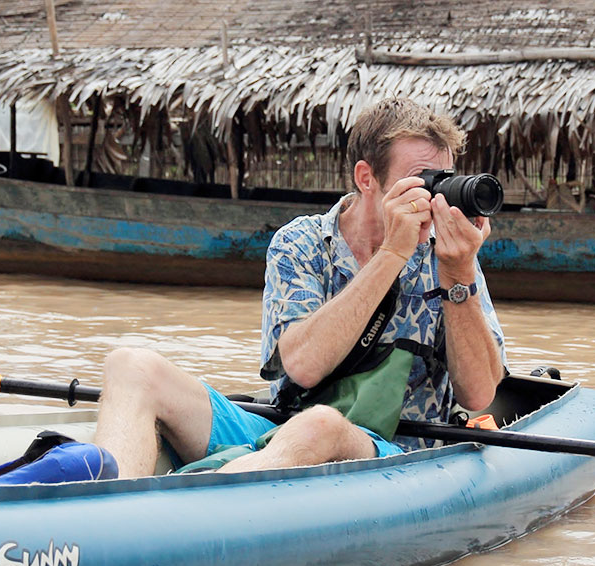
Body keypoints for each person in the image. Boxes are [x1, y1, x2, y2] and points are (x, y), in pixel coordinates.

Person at [92, 97, 507, 476]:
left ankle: (196, 509)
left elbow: (478, 395)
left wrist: (459, 275)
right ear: (367, 178)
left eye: (444, 179)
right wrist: (390, 256)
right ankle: (105, 509)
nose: (436, 198)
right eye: (422, 180)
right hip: (283, 427)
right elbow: (303, 367)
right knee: (131, 365)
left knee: (321, 424)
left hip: (395, 453)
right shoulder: (301, 243)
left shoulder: (451, 256)